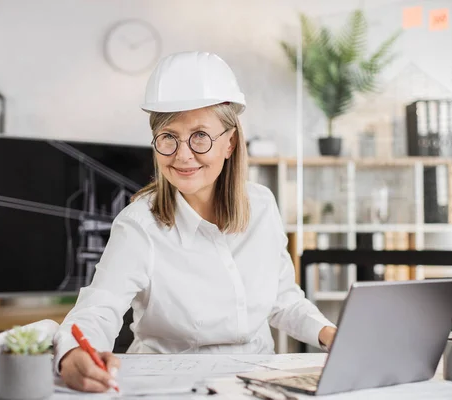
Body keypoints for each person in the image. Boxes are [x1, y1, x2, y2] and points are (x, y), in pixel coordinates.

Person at [54, 51, 337, 393]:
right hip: (169, 386)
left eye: (200, 135)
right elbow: (100, 307)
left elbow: (283, 299)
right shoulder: (139, 224)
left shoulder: (262, 205)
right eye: (168, 137)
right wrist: (72, 353)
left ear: (230, 142)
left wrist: (329, 334)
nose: (183, 154)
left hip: (258, 382)